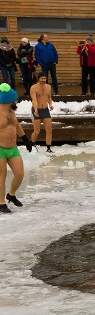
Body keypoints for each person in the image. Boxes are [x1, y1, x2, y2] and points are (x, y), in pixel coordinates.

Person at [0, 83, 33, 214]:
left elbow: (16, 125)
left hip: (13, 148)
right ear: (8, 101)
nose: (17, 101)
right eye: (15, 100)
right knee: (2, 176)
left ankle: (11, 195)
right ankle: (1, 203)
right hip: (0, 149)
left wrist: (25, 139)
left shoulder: (12, 111)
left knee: (19, 173)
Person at [30, 72, 55, 152]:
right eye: (42, 78)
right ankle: (32, 145)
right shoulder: (34, 87)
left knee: (49, 130)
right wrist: (36, 110)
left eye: (45, 78)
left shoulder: (48, 87)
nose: (43, 80)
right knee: (37, 131)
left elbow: (49, 97)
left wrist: (50, 104)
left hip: (45, 110)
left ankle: (48, 148)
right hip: (36, 110)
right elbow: (34, 100)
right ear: (39, 79)